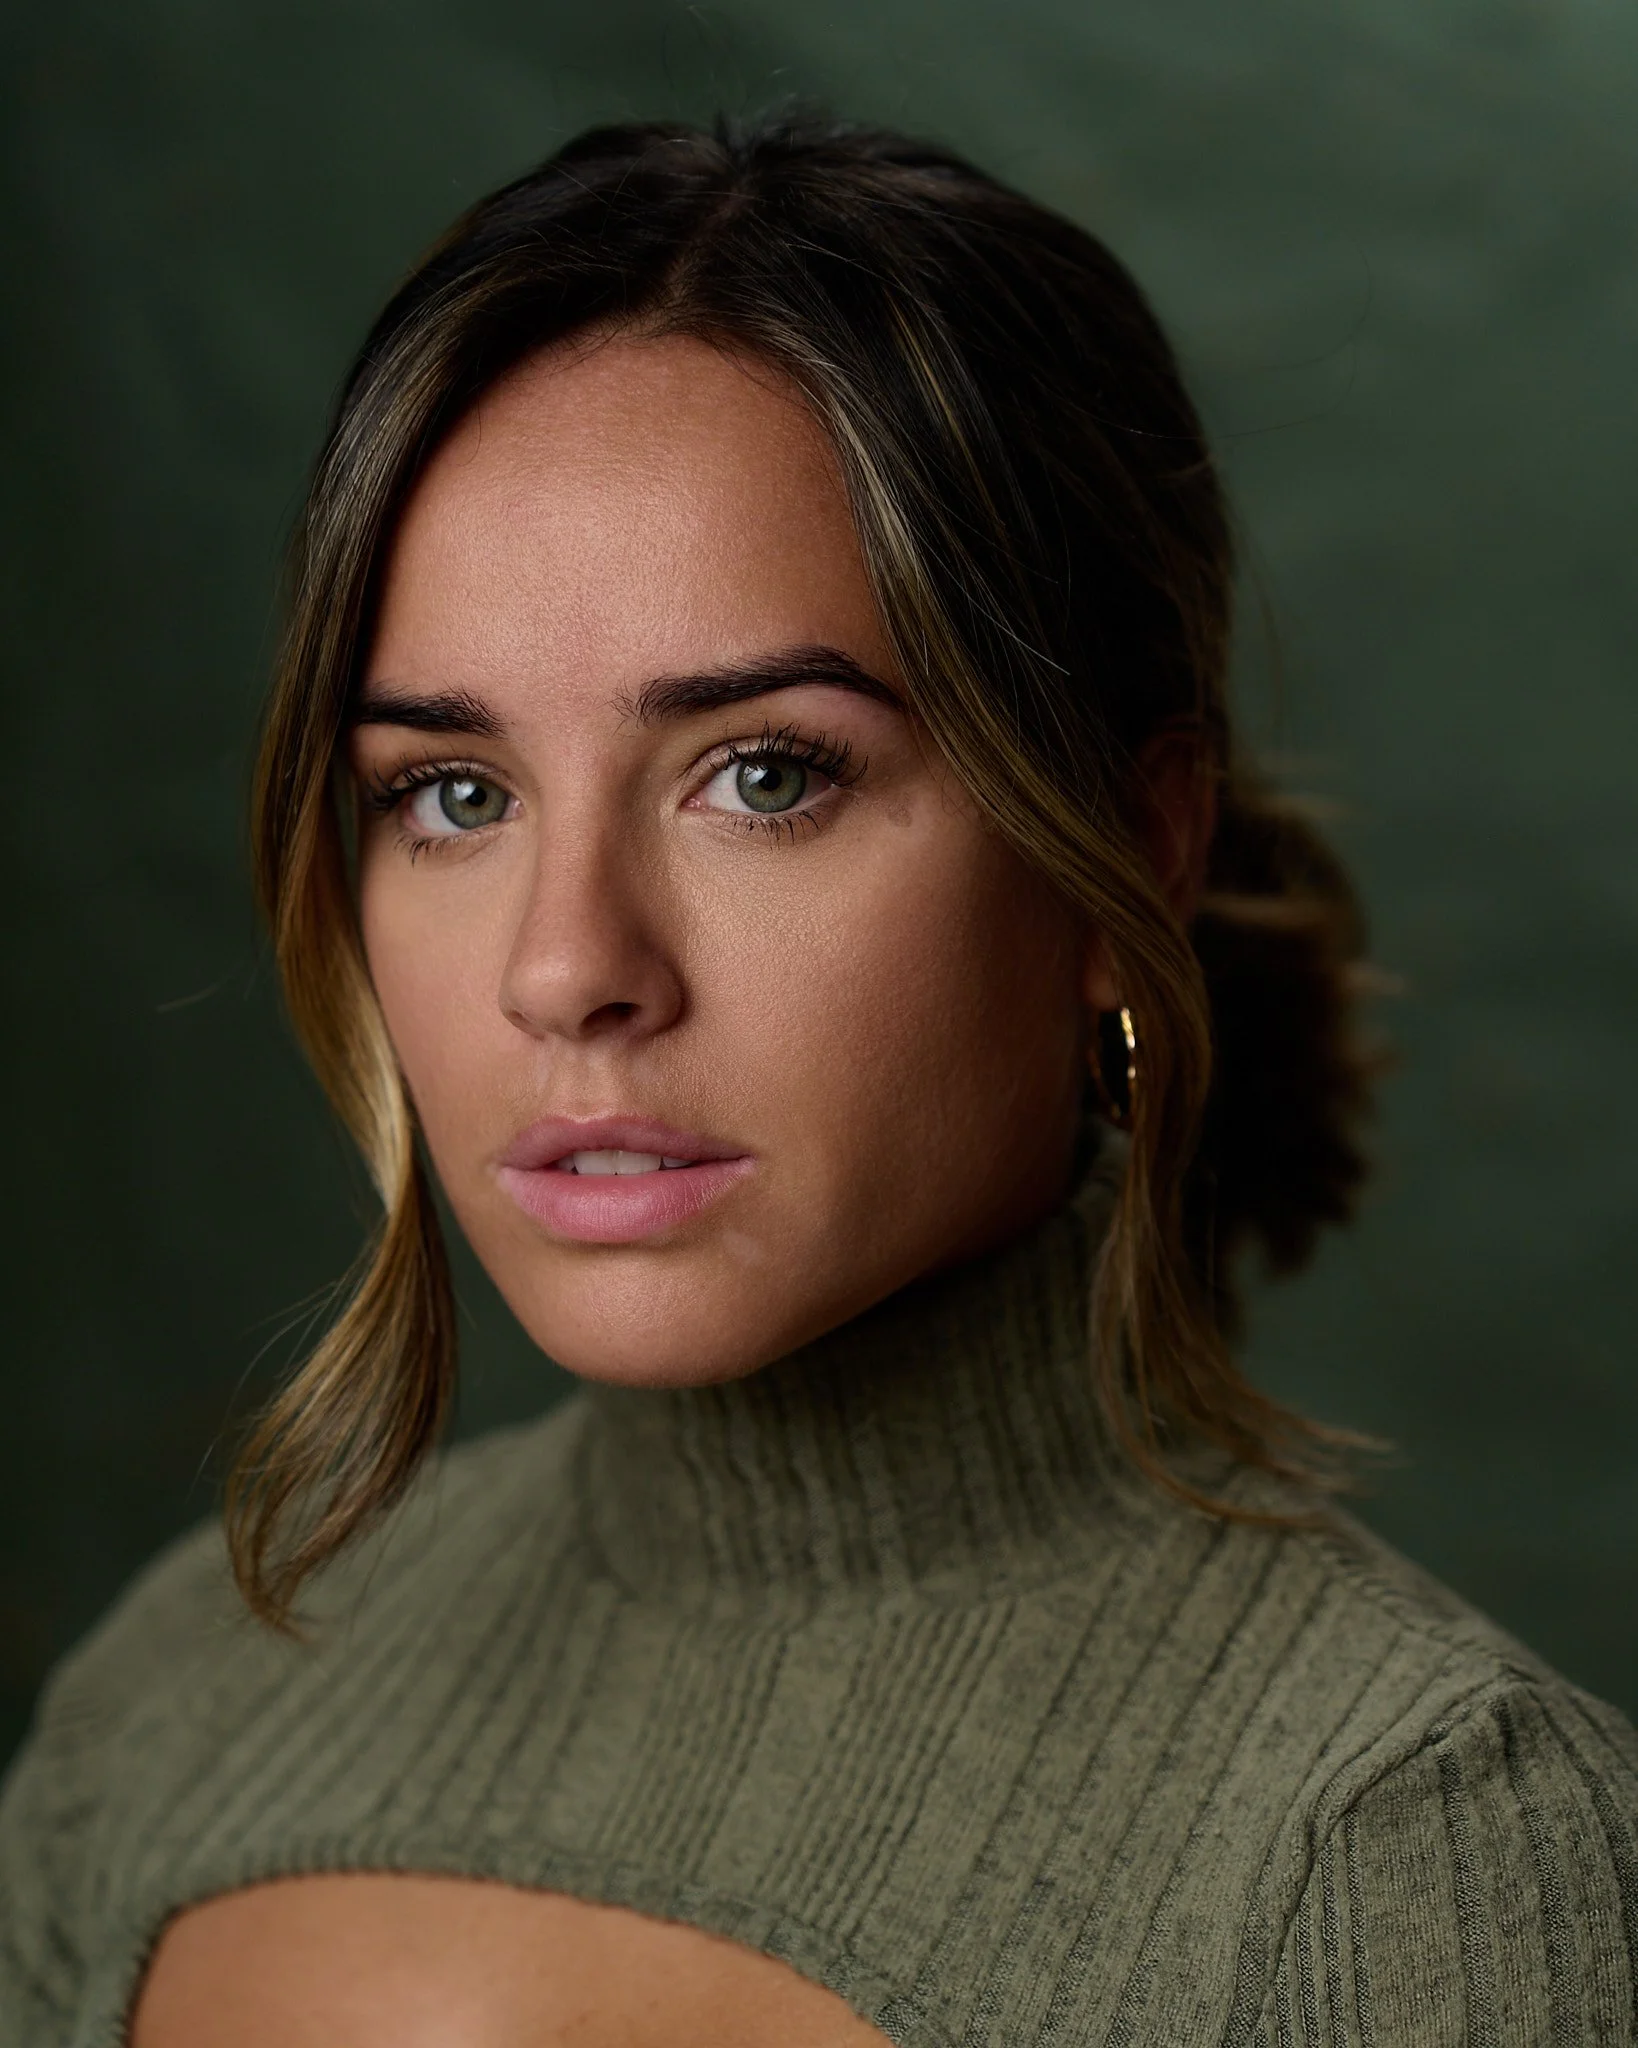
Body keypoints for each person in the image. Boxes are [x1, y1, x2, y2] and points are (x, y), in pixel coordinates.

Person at [2, 113, 1633, 2048]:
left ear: (1132, 851)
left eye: (764, 773)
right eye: (451, 793)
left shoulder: (1412, 1853)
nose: (565, 968)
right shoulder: (174, 1708)